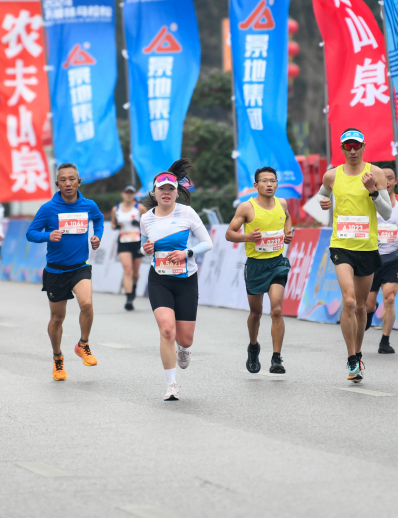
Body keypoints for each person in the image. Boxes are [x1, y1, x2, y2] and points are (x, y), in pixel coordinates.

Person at [317, 129, 394, 383]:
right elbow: (322, 195)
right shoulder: (332, 175)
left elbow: (385, 213)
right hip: (341, 246)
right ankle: (351, 357)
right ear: (341, 148)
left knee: (361, 306)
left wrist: (373, 190)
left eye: (356, 146)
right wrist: (323, 202)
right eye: (347, 147)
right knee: (348, 301)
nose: (352, 151)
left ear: (363, 147)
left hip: (367, 247)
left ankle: (358, 352)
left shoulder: (377, 174)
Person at [139, 159, 213, 401]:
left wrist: (187, 252)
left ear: (177, 192)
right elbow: (143, 247)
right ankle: (171, 385)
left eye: (171, 189)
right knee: (167, 330)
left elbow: (207, 243)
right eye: (162, 189)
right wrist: (146, 249)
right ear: (154, 193)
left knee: (185, 338)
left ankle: (184, 349)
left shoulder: (187, 213)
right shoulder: (146, 219)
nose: (167, 193)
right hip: (159, 279)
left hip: (186, 279)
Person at [26, 163, 104, 381]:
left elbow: (98, 219)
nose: (68, 183)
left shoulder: (89, 205)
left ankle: (83, 344)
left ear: (79, 182)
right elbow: (31, 233)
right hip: (55, 271)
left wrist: (97, 235)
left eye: (72, 179)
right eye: (63, 180)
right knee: (57, 318)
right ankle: (58, 358)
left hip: (80, 267)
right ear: (57, 183)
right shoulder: (48, 208)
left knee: (87, 303)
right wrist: (48, 236)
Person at [225, 167, 293, 375]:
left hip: (277, 263)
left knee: (277, 310)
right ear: (256, 185)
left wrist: (288, 232)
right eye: (265, 181)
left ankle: (276, 357)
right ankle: (253, 346)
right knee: (255, 313)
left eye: (273, 180)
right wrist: (248, 238)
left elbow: (287, 217)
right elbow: (229, 233)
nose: (270, 184)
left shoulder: (282, 203)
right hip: (255, 266)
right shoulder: (247, 208)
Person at [365, 166, 398, 354]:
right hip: (371, 258)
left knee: (390, 297)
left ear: (395, 182)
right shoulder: (370, 201)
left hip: (392, 257)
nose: (386, 182)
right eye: (383, 178)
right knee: (368, 304)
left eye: (390, 178)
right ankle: (370, 311)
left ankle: (385, 341)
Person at [112, 185, 144, 311]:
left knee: (135, 273)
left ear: (134, 194)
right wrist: (117, 226)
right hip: (124, 242)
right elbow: (113, 225)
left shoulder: (139, 208)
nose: (129, 195)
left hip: (136, 242)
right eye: (127, 192)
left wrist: (139, 223)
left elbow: (149, 222)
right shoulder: (116, 209)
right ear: (122, 193)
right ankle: (129, 298)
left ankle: (133, 289)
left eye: (131, 193)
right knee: (128, 270)